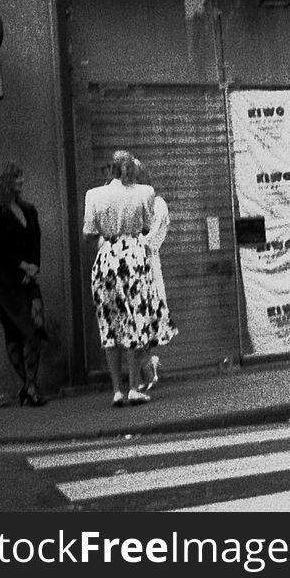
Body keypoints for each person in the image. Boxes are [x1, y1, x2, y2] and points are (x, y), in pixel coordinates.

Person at [83, 150, 177, 407]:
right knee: (136, 321)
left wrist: (107, 241)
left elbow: (89, 233)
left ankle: (116, 390)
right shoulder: (145, 193)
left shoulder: (94, 195)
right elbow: (146, 226)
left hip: (107, 259)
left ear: (109, 169)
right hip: (134, 258)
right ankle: (134, 386)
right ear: (131, 169)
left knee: (110, 325)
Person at [0, 163, 48, 407]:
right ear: (5, 183)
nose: (21, 182)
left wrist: (33, 268)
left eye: (22, 177)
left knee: (35, 327)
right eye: (17, 178)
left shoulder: (28, 209)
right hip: (3, 280)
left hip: (27, 277)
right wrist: (21, 265)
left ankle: (29, 387)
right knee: (16, 331)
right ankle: (30, 387)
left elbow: (35, 240)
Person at [133, 158, 169, 393]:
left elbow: (153, 238)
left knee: (144, 320)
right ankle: (145, 368)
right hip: (127, 272)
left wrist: (131, 238)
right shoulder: (122, 205)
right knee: (132, 321)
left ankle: (147, 367)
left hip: (147, 271)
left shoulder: (158, 204)